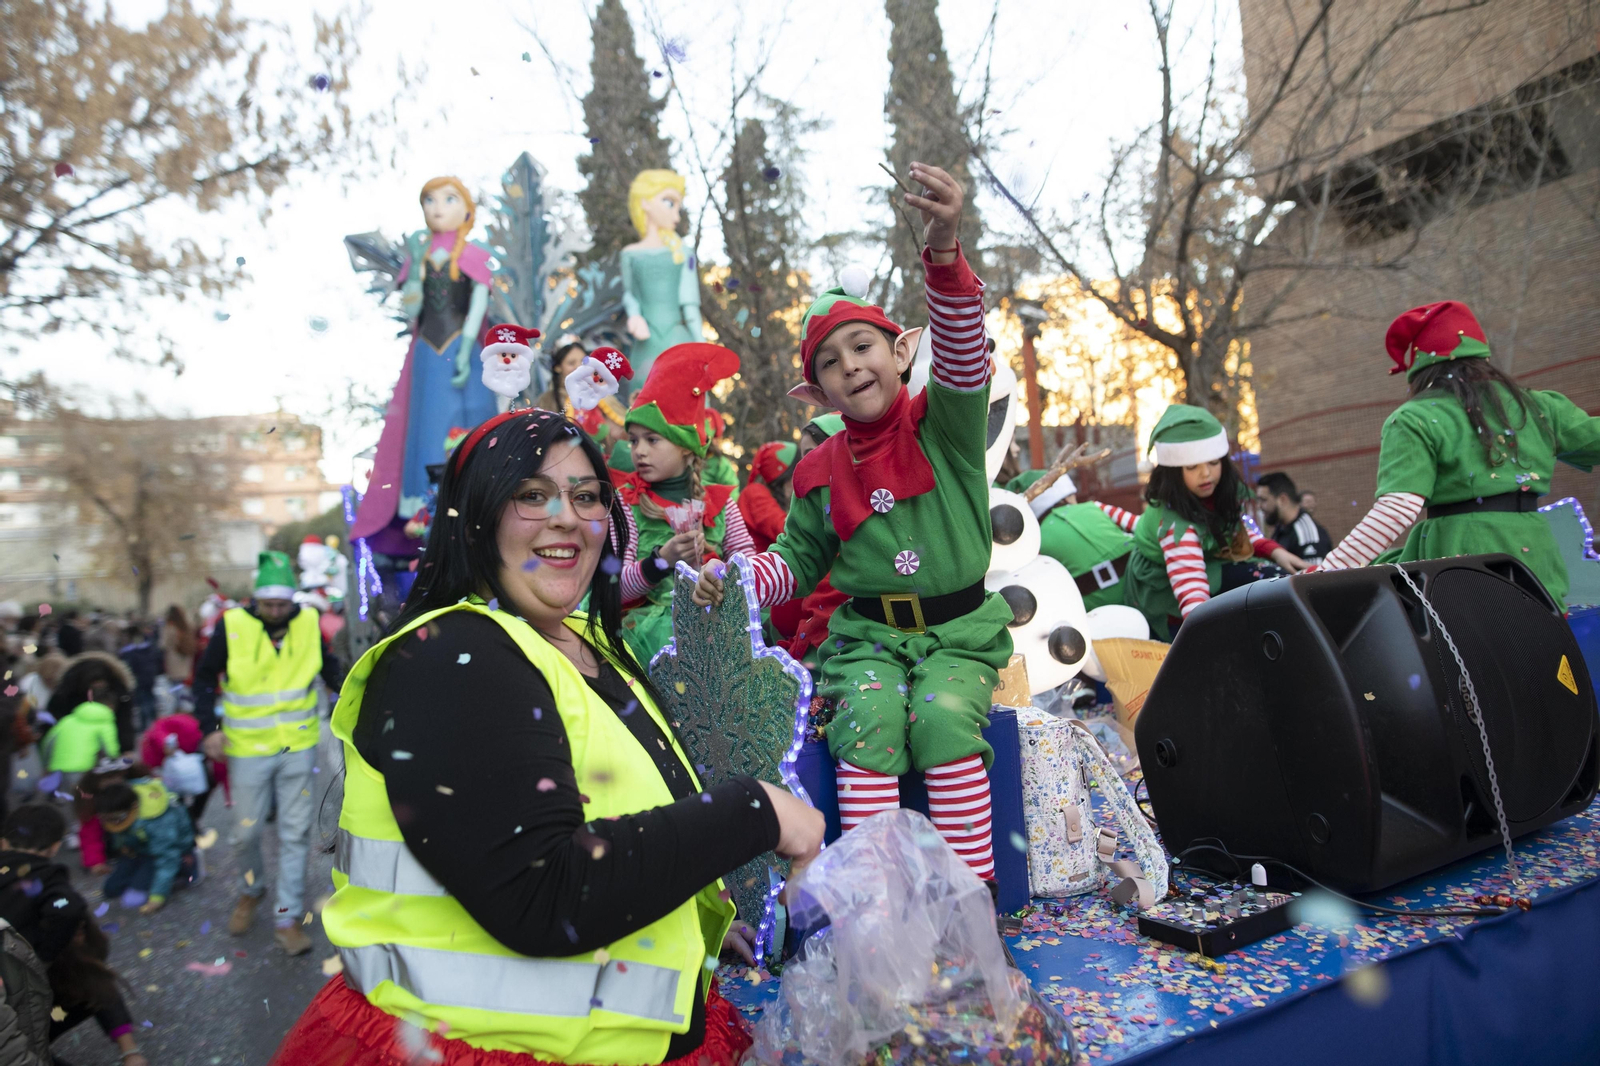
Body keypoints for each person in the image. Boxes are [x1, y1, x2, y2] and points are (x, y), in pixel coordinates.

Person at [271, 406, 823, 1066]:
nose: (565, 517)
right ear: (474, 518)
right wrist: (757, 812)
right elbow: (542, 893)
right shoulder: (453, 655)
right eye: (531, 494)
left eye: (585, 496)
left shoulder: (590, 644)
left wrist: (690, 935)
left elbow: (626, 819)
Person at [694, 163, 1013, 882]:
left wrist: (943, 249)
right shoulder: (818, 469)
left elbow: (963, 352)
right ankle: (877, 904)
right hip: (867, 639)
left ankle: (969, 898)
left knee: (942, 718)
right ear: (819, 392)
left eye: (862, 347)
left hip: (959, 634)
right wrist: (734, 579)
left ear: (900, 352)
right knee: (865, 723)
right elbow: (795, 560)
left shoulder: (946, 423)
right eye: (831, 363)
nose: (851, 367)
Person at [1317, 301, 1600, 605]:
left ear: (1420, 366)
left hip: (1460, 563)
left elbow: (1397, 508)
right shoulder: (1538, 406)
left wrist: (1325, 573)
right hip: (1537, 562)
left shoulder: (1414, 418)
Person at [193, 550, 342, 955]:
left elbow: (329, 668)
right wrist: (209, 730)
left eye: (282, 604)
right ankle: (252, 889)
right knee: (246, 833)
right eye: (268, 604)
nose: (275, 611)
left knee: (295, 833)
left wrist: (356, 693)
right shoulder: (231, 625)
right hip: (247, 748)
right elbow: (204, 679)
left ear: (292, 600)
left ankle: (286, 917)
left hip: (298, 745)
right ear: (255, 599)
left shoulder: (308, 621)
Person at [612, 344, 756, 664]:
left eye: (652, 439)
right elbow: (613, 587)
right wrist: (660, 561)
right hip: (646, 639)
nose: (639, 450)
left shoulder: (720, 504)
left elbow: (749, 566)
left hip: (717, 630)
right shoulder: (625, 503)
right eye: (633, 440)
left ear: (686, 447)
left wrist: (719, 571)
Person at [1121, 404, 1310, 640]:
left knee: (1271, 578)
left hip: (1205, 564)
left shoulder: (1214, 492)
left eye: (1213, 462)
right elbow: (1191, 589)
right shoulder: (1175, 525)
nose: (1206, 474)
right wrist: (1208, 638)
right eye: (1192, 466)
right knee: (1259, 582)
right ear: (1173, 471)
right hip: (1165, 590)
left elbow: (1233, 529)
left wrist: (1273, 550)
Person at [0, 805, 148, 1066]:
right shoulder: (45, 878)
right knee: (83, 974)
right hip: (14, 1013)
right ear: (55, 847)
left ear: (3, 842)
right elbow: (66, 909)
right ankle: (130, 1052)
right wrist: (43, 957)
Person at [1004, 468, 1141, 611]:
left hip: (1098, 611)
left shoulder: (1035, 543)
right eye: (1073, 494)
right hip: (1141, 588)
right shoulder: (1094, 506)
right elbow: (1142, 527)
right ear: (1065, 497)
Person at [621, 169, 706, 385]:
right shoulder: (629, 254)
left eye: (678, 207)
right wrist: (634, 315)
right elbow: (629, 294)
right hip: (645, 344)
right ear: (644, 203)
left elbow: (690, 305)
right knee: (645, 395)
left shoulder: (684, 253)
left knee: (685, 395)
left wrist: (702, 347)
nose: (676, 215)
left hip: (679, 341)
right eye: (669, 203)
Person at [94, 779, 198, 914]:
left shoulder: (157, 819)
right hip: (138, 850)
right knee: (110, 890)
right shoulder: (118, 809)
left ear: (134, 807)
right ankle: (146, 879)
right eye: (107, 819)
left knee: (131, 900)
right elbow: (119, 834)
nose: (113, 824)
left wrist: (157, 897)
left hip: (161, 854)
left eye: (118, 818)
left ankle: (184, 871)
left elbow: (167, 859)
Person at [537, 334, 628, 448]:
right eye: (571, 363)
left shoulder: (600, 391)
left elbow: (622, 427)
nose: (579, 367)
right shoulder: (547, 401)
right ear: (558, 367)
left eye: (583, 361)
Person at [47, 652, 135, 755]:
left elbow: (124, 724)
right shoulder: (66, 695)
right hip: (75, 750)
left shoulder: (120, 692)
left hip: (74, 752)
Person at [1255, 471, 1333, 566]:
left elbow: (1315, 574)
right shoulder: (1282, 529)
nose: (1259, 506)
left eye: (1263, 500)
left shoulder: (1307, 533)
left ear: (1282, 499)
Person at [738, 441, 799, 552]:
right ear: (783, 476)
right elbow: (784, 530)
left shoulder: (767, 495)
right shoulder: (755, 492)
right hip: (753, 562)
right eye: (795, 473)